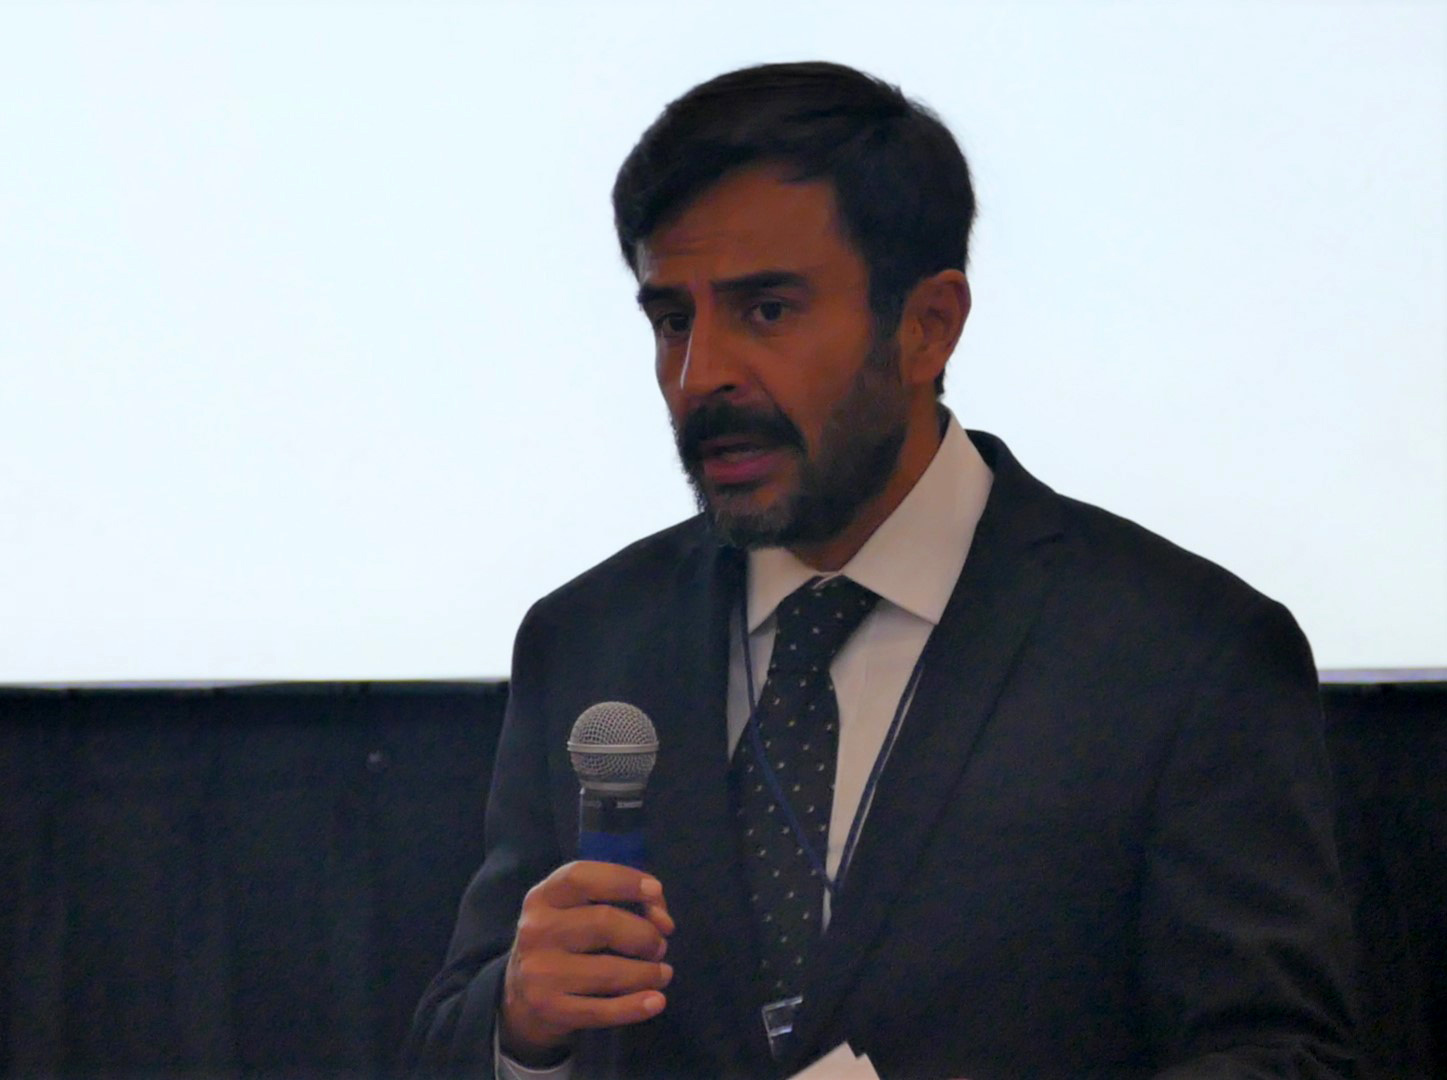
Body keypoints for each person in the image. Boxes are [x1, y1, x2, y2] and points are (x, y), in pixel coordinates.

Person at [407, 61, 1357, 1078]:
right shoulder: (589, 640)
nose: (700, 375)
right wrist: (521, 1027)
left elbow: (1276, 1053)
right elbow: (456, 1034)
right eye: (672, 320)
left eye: (767, 310)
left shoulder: (1182, 654)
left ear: (926, 326)